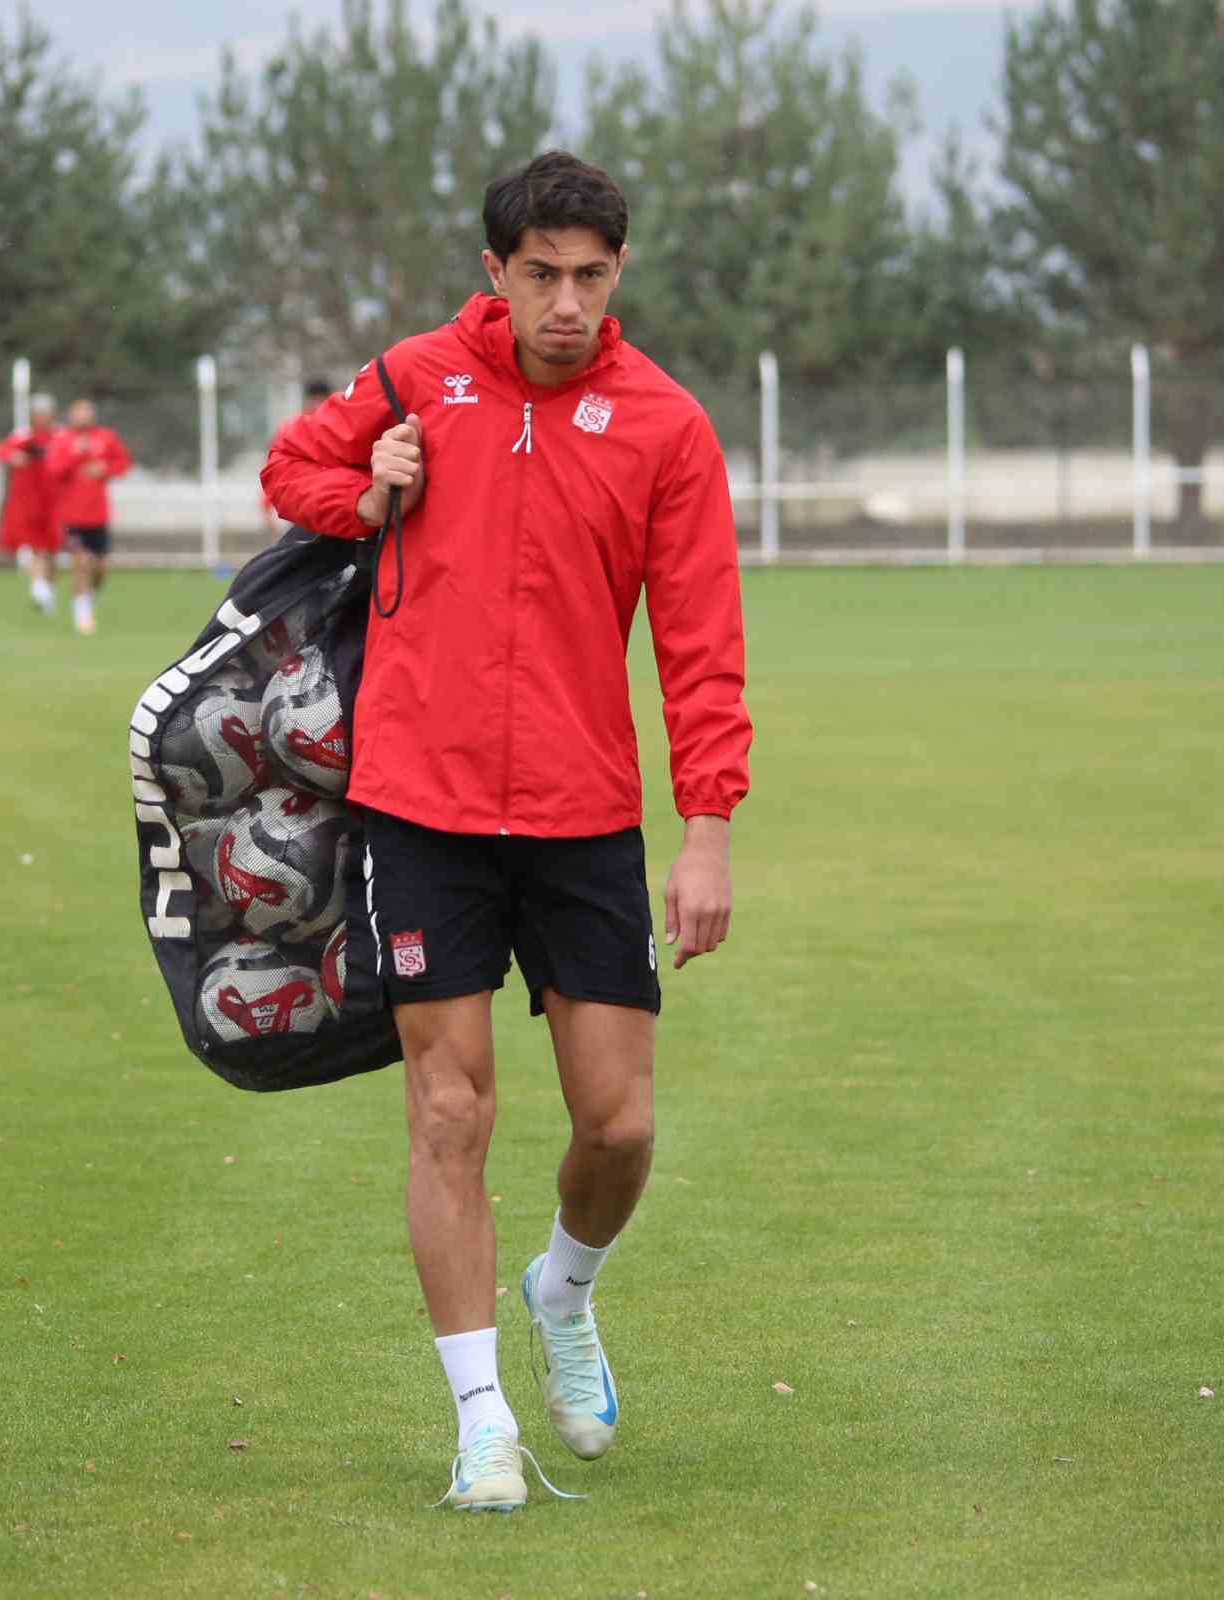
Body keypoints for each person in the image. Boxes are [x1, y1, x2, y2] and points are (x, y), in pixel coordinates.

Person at [262, 151, 752, 1514]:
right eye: (539, 274)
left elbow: (701, 650)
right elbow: (289, 468)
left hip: (584, 818)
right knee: (450, 1107)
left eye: (590, 276)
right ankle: (480, 1420)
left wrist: (703, 832)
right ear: (495, 271)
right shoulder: (416, 379)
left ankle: (565, 1289)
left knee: (620, 1124)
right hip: (417, 804)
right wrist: (368, 491)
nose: (564, 302)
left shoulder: (663, 423)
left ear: (617, 275)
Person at [48, 398, 132, 635]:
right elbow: (54, 470)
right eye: (79, 412)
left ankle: (87, 596)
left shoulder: (106, 437)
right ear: (71, 415)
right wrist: (74, 455)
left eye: (88, 411)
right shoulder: (62, 440)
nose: (84, 416)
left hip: (98, 516)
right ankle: (82, 615)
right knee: (80, 563)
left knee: (100, 569)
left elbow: (123, 463)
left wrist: (104, 468)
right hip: (72, 517)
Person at [0, 394, 61, 613]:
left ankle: (47, 590)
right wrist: (14, 456)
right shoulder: (23, 436)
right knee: (34, 548)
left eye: (46, 412)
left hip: (54, 504)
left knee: (51, 552)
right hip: (27, 503)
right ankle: (40, 589)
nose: (42, 417)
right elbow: (2, 451)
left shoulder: (60, 436)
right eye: (38, 413)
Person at [261, 379, 333, 532]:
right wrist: (266, 506)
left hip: (332, 507)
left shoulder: (339, 428)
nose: (317, 404)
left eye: (321, 399)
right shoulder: (291, 429)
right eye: (315, 399)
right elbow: (276, 469)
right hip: (302, 508)